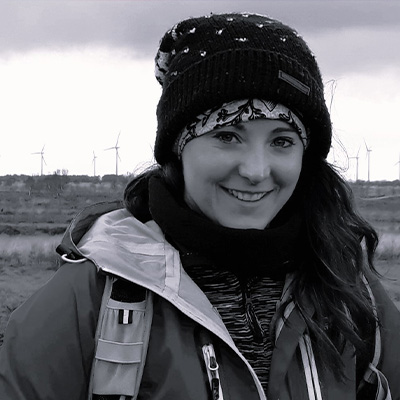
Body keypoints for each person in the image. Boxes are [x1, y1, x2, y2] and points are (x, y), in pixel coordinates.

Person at [0, 12, 399, 400]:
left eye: (281, 141)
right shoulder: (89, 299)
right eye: (227, 136)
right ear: (178, 148)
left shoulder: (349, 288)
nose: (257, 171)